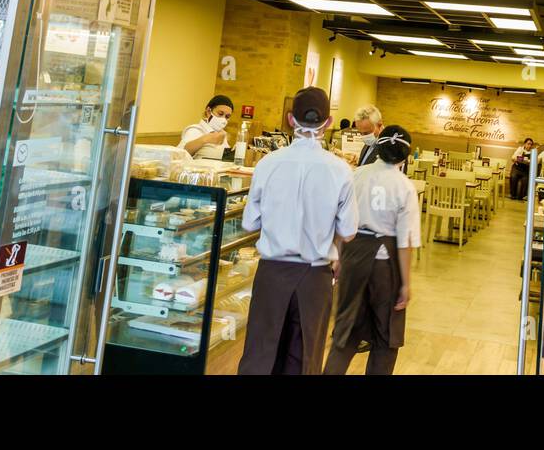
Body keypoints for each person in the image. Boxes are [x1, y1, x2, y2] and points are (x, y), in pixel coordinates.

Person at [238, 87, 358, 375]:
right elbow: (349, 231)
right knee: (304, 360)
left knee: (260, 356)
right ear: (328, 123)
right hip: (315, 276)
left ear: (291, 120)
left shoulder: (267, 164)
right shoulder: (340, 171)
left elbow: (249, 223)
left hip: (271, 272)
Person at [324, 124, 419, 375]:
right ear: (405, 156)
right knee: (386, 335)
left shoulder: (356, 175)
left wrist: (337, 255)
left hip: (353, 253)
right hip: (384, 262)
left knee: (345, 332)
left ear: (377, 147)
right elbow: (405, 241)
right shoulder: (405, 186)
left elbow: (339, 219)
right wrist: (406, 284)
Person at [179, 95, 234, 159]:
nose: (223, 119)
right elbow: (179, 154)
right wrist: (204, 139)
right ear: (208, 111)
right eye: (220, 114)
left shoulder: (222, 134)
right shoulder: (195, 130)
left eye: (227, 117)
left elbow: (224, 157)